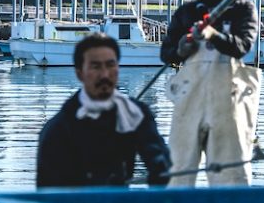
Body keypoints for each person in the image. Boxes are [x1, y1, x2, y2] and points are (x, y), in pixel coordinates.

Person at [160, 0, 260, 186]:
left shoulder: (244, 10)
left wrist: (213, 35)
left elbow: (242, 47)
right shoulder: (187, 12)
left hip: (230, 99)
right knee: (179, 169)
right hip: (190, 97)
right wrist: (184, 47)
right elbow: (167, 53)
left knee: (231, 172)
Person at [37, 32, 171, 188]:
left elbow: (161, 163)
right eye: (95, 67)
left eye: (110, 65)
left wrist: (160, 167)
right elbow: (49, 194)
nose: (105, 75)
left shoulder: (135, 114)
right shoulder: (58, 129)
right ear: (80, 73)